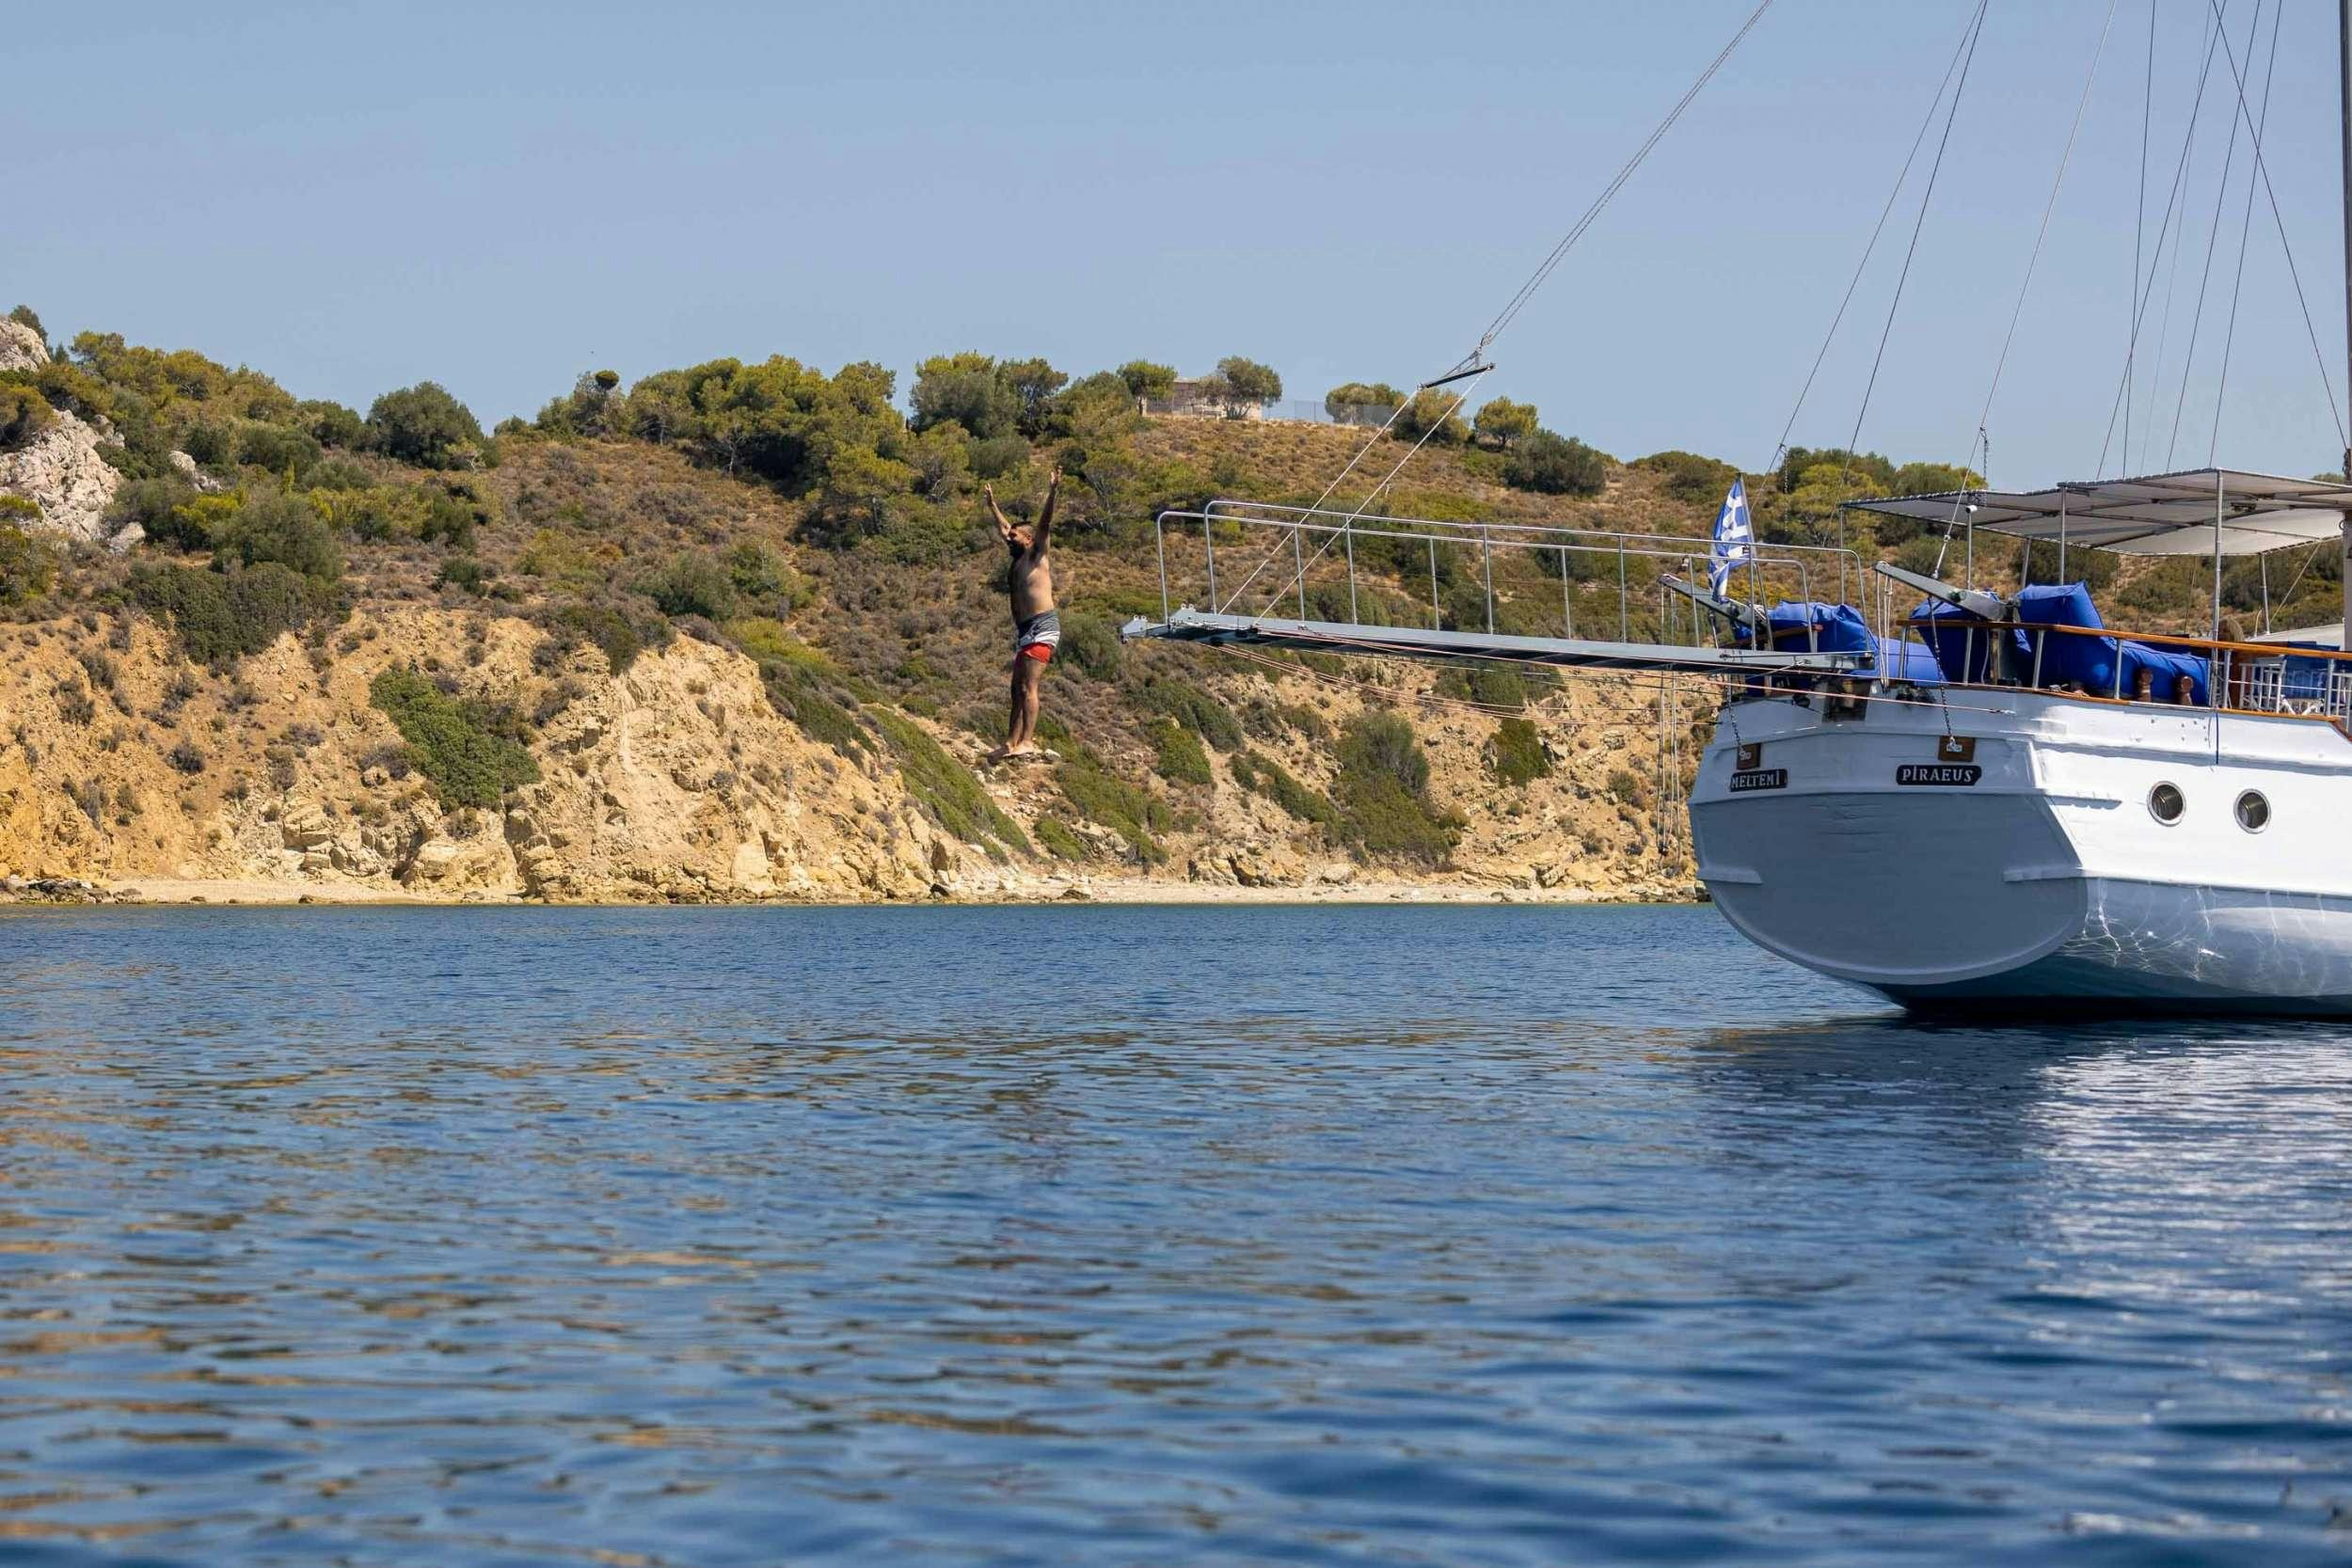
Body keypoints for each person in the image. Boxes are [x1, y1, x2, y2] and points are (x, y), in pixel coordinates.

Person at [987, 468, 1059, 760]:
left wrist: (1053, 493)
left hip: (1043, 627)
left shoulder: (1036, 554)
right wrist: (992, 505)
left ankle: (1027, 741)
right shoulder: (1017, 560)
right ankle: (1010, 743)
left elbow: (1045, 523)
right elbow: (1005, 528)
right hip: (1025, 631)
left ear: (1029, 539)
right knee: (1015, 689)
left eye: (1016, 534)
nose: (1009, 536)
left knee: (1029, 686)